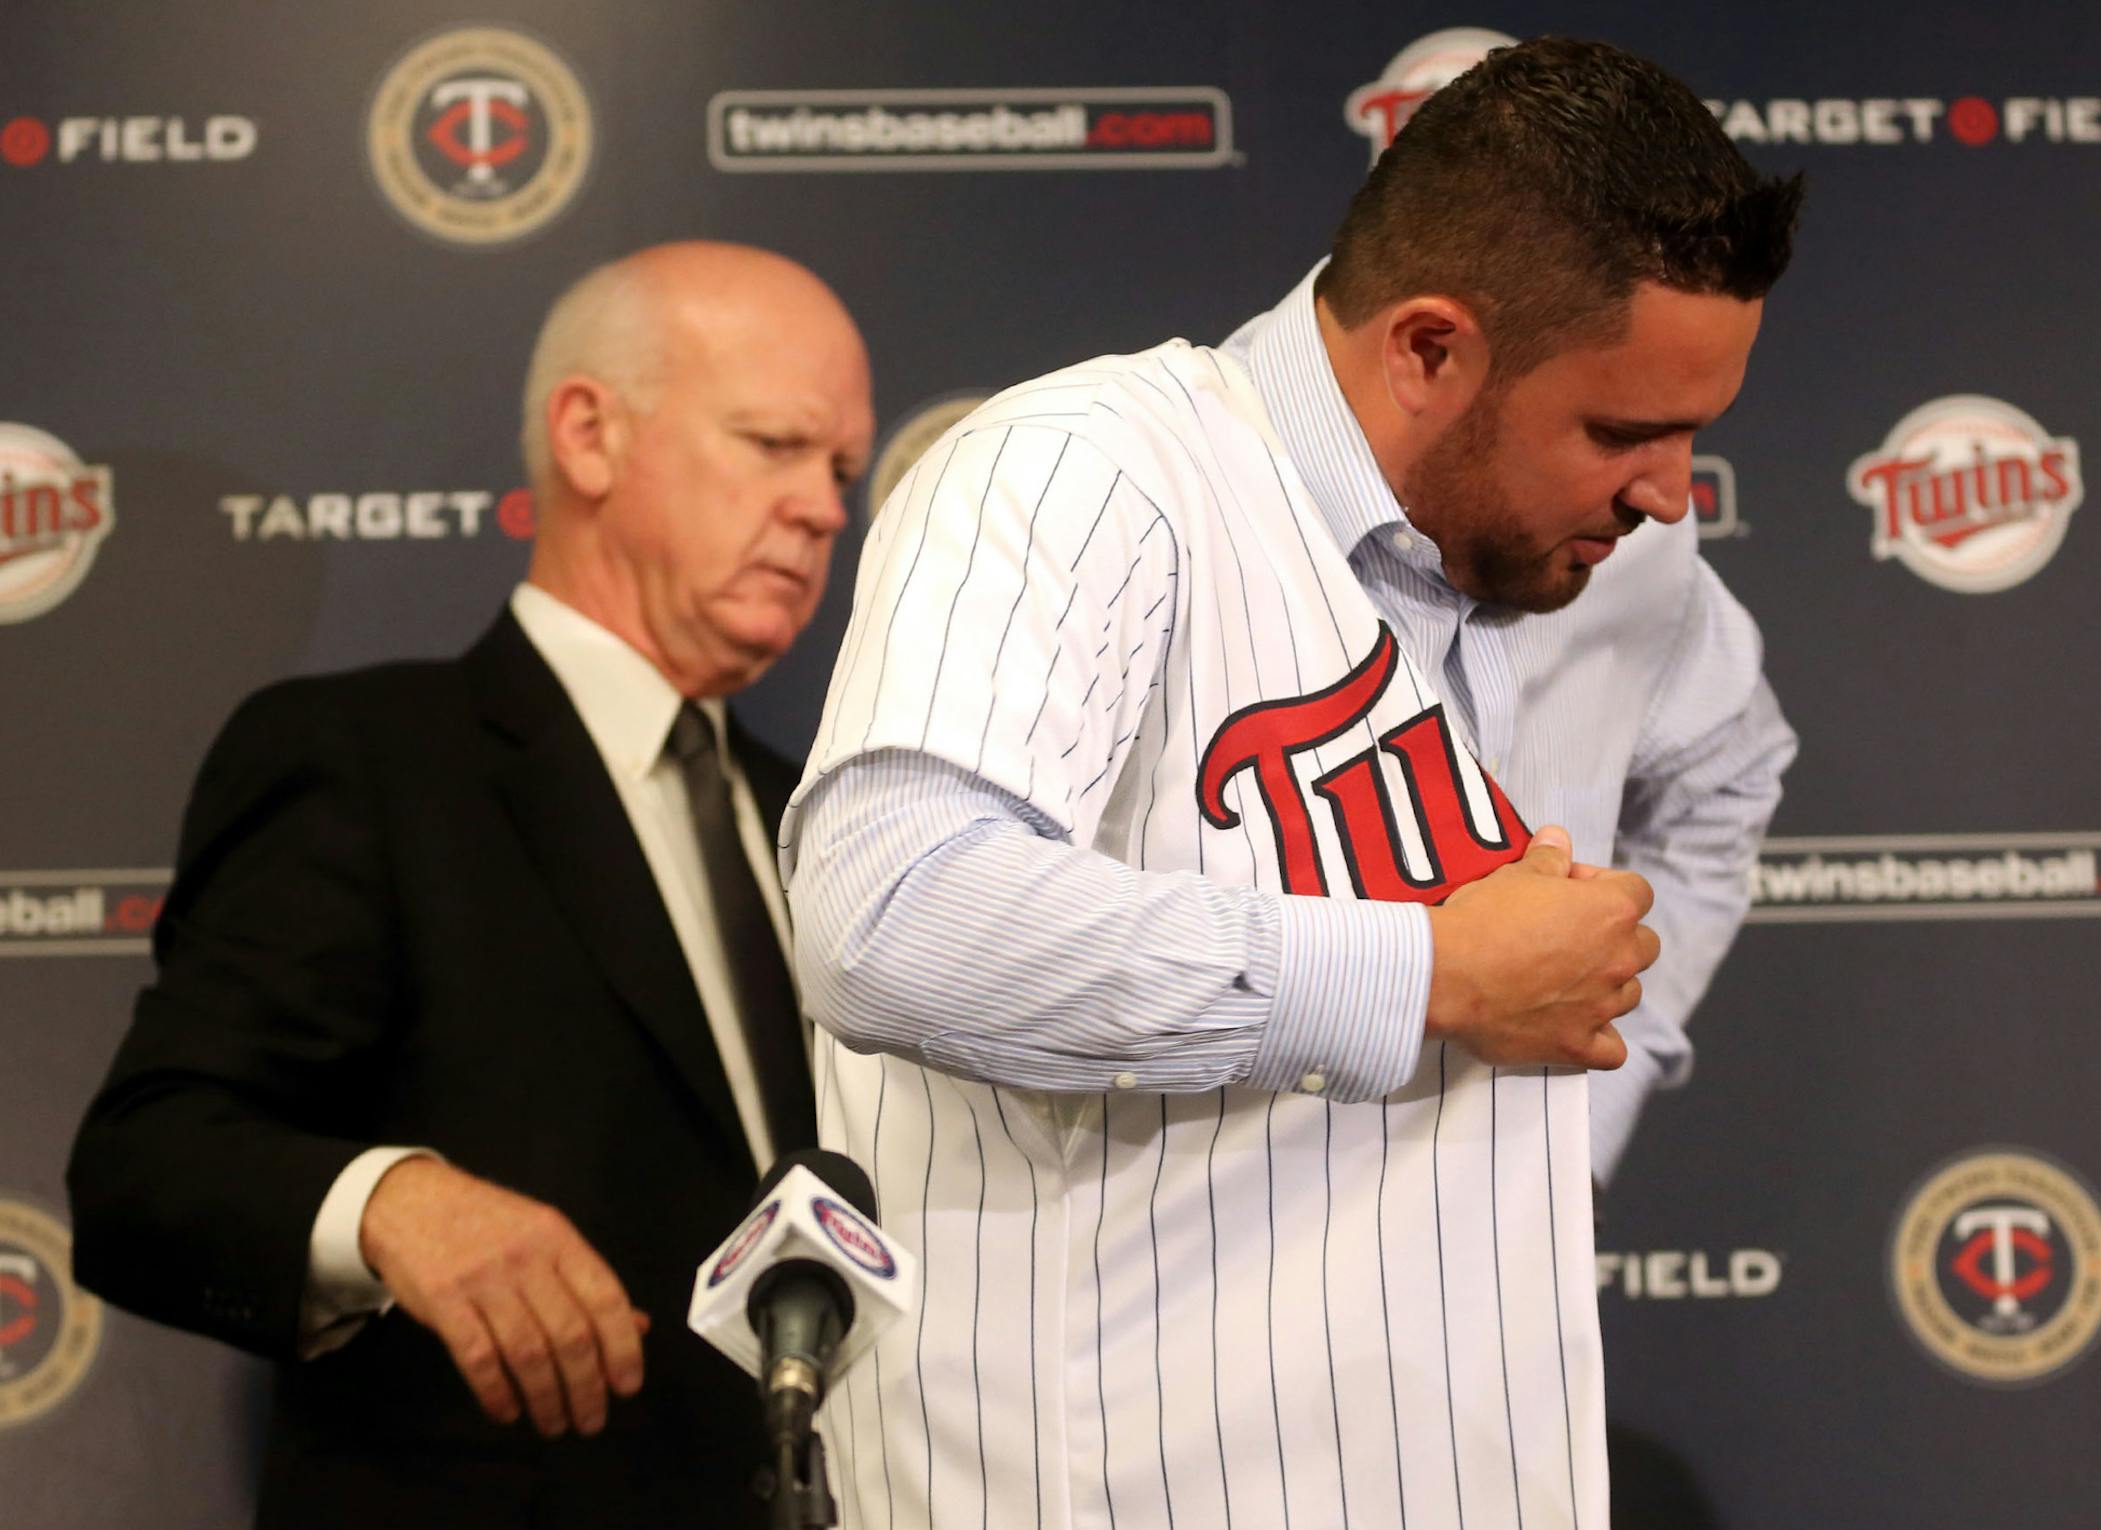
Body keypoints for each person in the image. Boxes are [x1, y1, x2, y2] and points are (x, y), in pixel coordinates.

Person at [783, 38, 1799, 1530]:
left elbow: (1727, 776)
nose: (1665, 493)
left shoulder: (1498, 563)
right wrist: (1428, 970)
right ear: (1430, 349)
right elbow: (891, 912)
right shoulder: (1089, 474)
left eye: (1691, 433)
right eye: (1622, 430)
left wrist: (1568, 1093)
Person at [67, 242, 875, 1528]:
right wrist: (391, 1199)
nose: (828, 508)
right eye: (775, 444)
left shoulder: (822, 823)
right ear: (591, 436)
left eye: (839, 468)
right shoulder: (367, 761)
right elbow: (143, 1173)